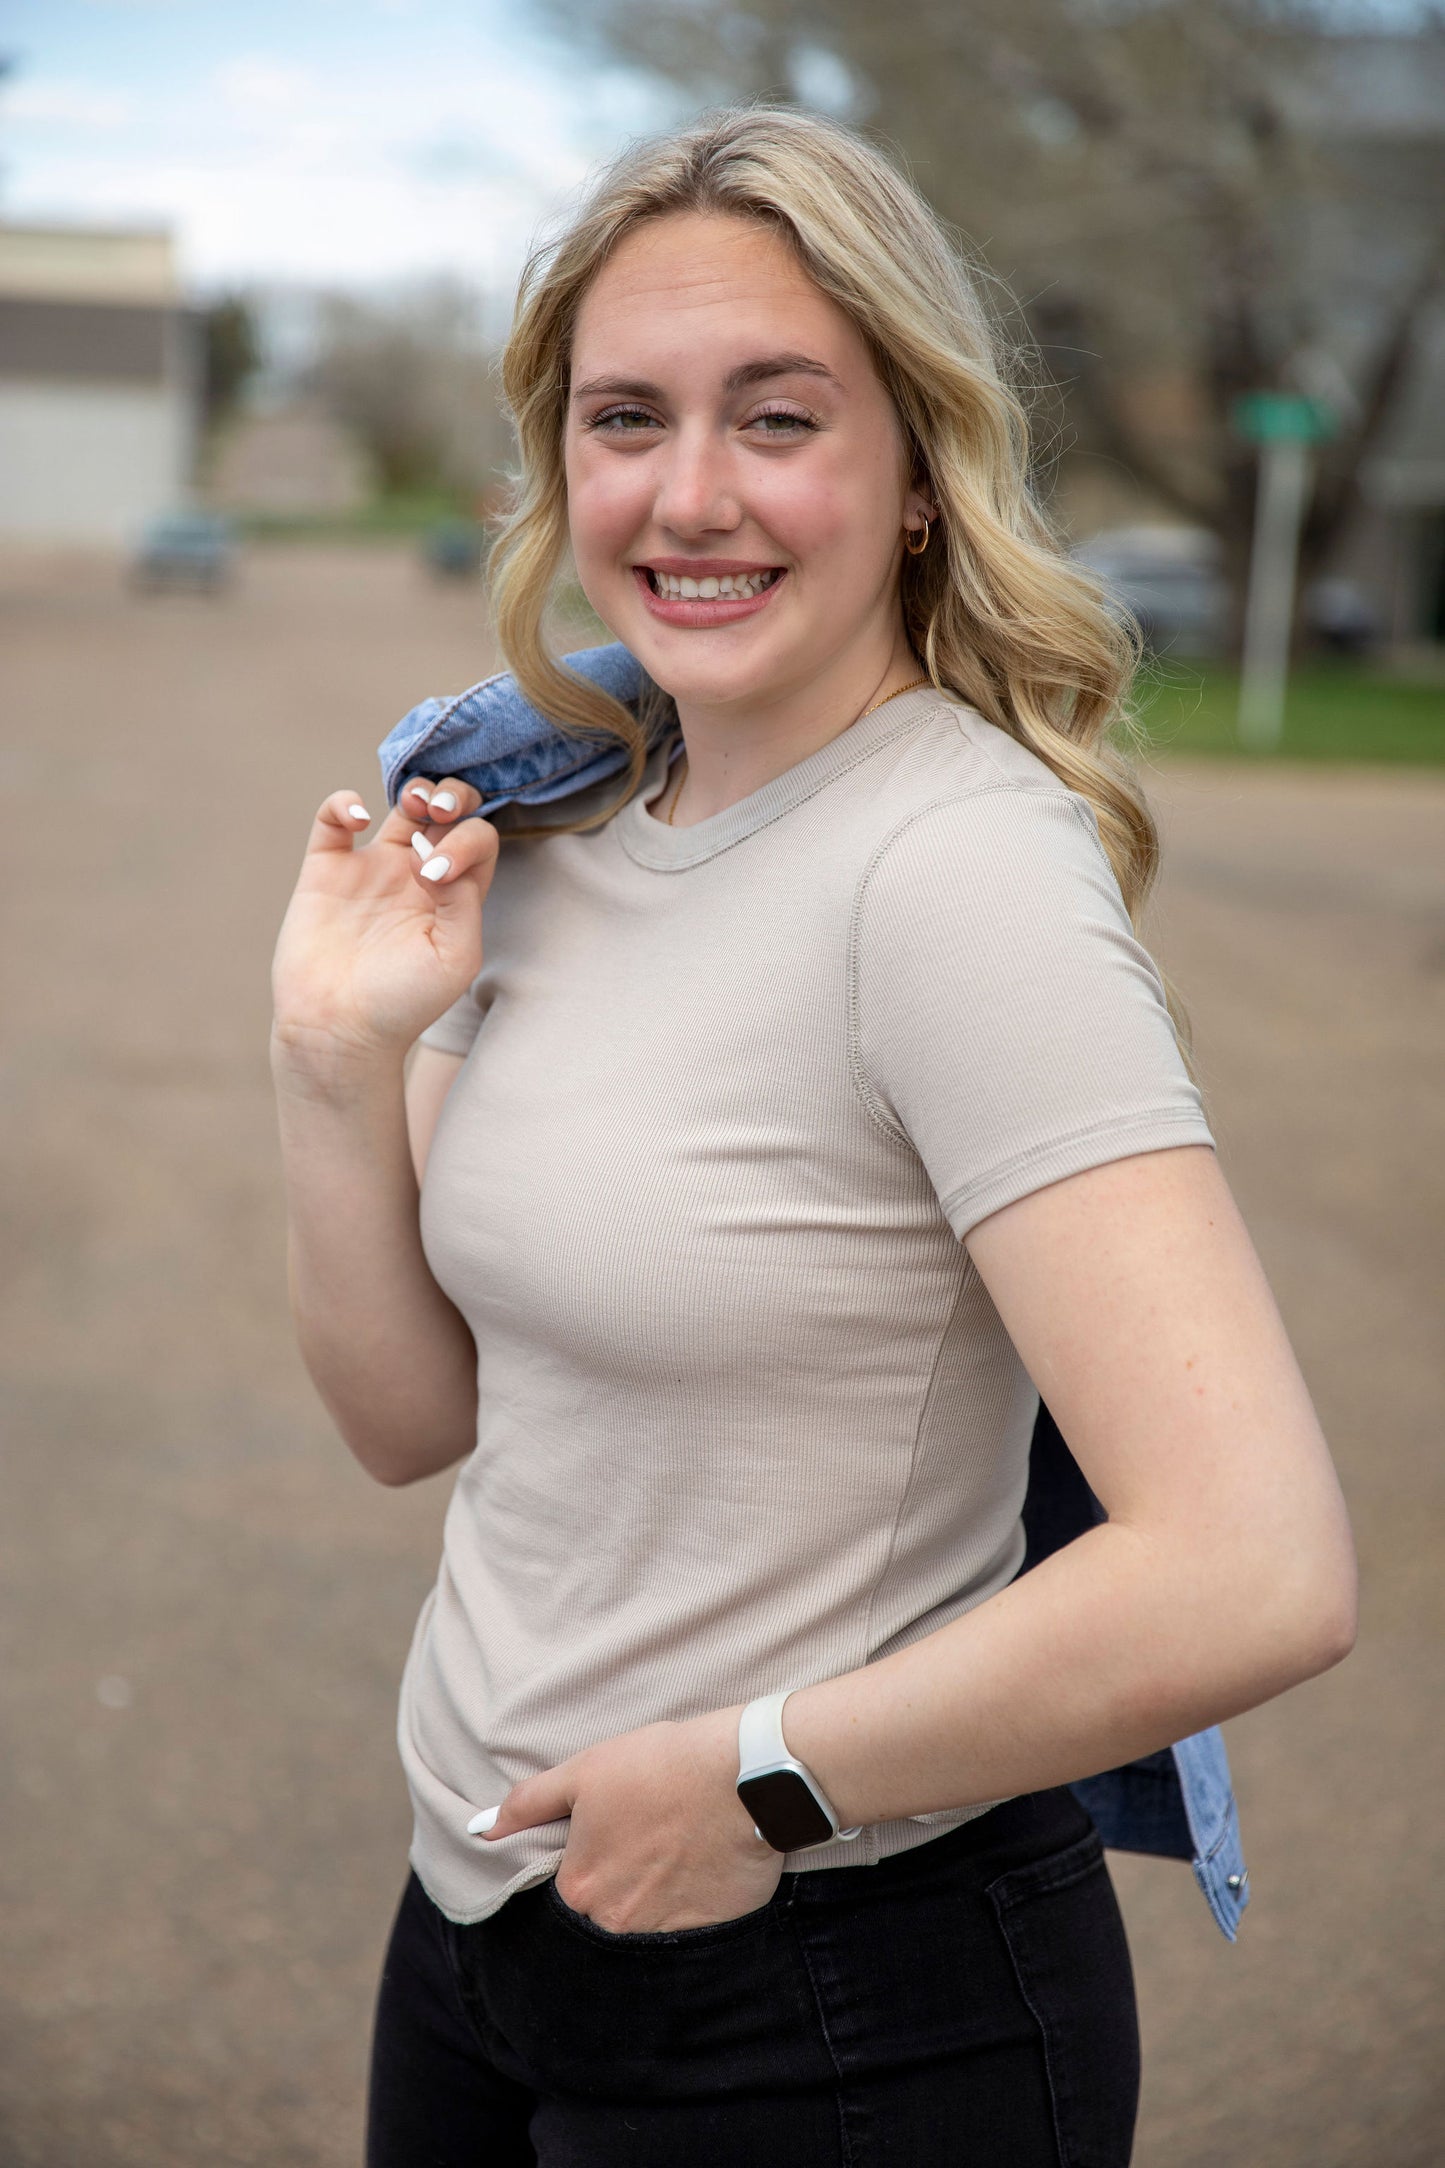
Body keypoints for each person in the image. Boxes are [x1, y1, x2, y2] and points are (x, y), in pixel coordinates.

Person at [270, 105, 1357, 2167]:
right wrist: (334, 1056)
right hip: (483, 1926)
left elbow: (1260, 1564)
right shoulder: (557, 812)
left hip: (831, 1988)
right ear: (558, 462)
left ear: (919, 474)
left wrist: (757, 1781)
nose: (690, 497)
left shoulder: (957, 873)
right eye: (626, 419)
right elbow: (414, 1416)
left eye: (777, 418)